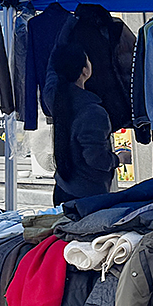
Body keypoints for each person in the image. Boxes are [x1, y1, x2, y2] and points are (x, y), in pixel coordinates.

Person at [45, 41, 119, 204]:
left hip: (63, 188)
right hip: (88, 196)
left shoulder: (54, 98)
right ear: (85, 71)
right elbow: (96, 158)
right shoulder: (93, 112)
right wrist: (118, 159)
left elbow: (52, 68)